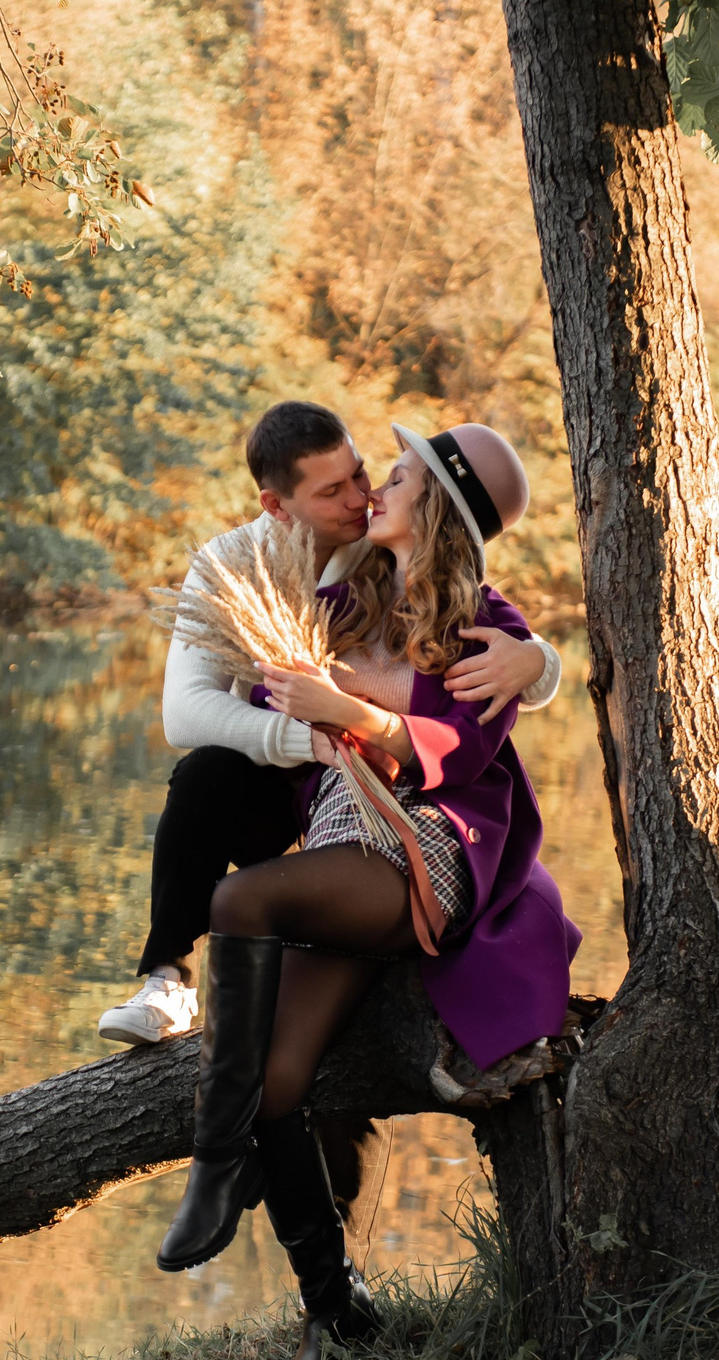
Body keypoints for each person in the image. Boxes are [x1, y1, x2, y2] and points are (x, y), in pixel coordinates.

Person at [155, 422, 583, 1360]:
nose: (377, 485)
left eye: (398, 474)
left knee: (240, 896)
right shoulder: (341, 594)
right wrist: (288, 690)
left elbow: (460, 752)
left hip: (421, 847)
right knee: (273, 1077)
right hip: (346, 839)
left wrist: (529, 662)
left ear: (436, 501)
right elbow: (268, 670)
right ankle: (334, 1308)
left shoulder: (485, 622)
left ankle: (214, 1160)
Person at [96, 402, 562, 1047]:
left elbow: (480, 630)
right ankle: (168, 979)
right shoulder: (235, 563)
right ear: (277, 506)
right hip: (294, 770)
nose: (360, 497)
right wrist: (307, 736)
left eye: (364, 475)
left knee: (328, 995)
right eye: (332, 491)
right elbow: (184, 713)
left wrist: (537, 658)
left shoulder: (373, 548)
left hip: (385, 784)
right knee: (204, 774)